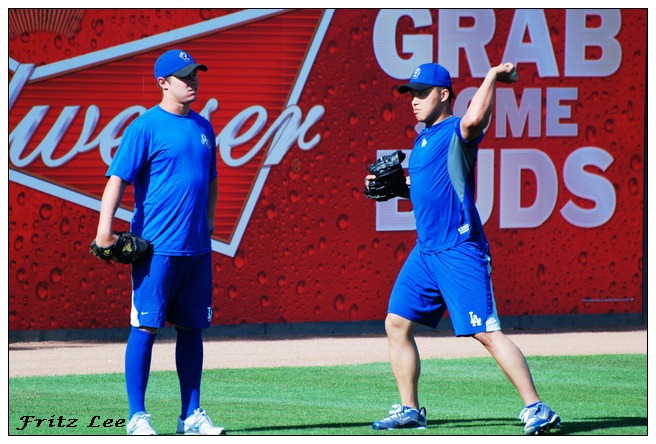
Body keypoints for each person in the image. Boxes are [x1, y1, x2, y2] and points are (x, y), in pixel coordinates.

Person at [365, 62, 561, 435]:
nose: (414, 100)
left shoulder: (457, 131)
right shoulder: (422, 140)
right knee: (396, 323)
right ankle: (410, 410)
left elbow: (474, 120)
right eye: (411, 94)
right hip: (426, 252)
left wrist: (491, 77)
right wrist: (399, 188)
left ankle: (537, 407)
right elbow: (429, 189)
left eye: (422, 93)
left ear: (444, 95)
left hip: (459, 247)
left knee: (484, 331)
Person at [93, 49, 224, 436]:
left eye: (195, 74)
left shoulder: (203, 127)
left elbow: (211, 179)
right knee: (146, 328)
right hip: (156, 249)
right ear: (163, 83)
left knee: (192, 330)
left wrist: (210, 219)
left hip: (196, 248)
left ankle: (191, 416)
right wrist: (104, 231)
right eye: (185, 76)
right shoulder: (145, 127)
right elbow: (117, 179)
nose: (193, 81)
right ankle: (137, 416)